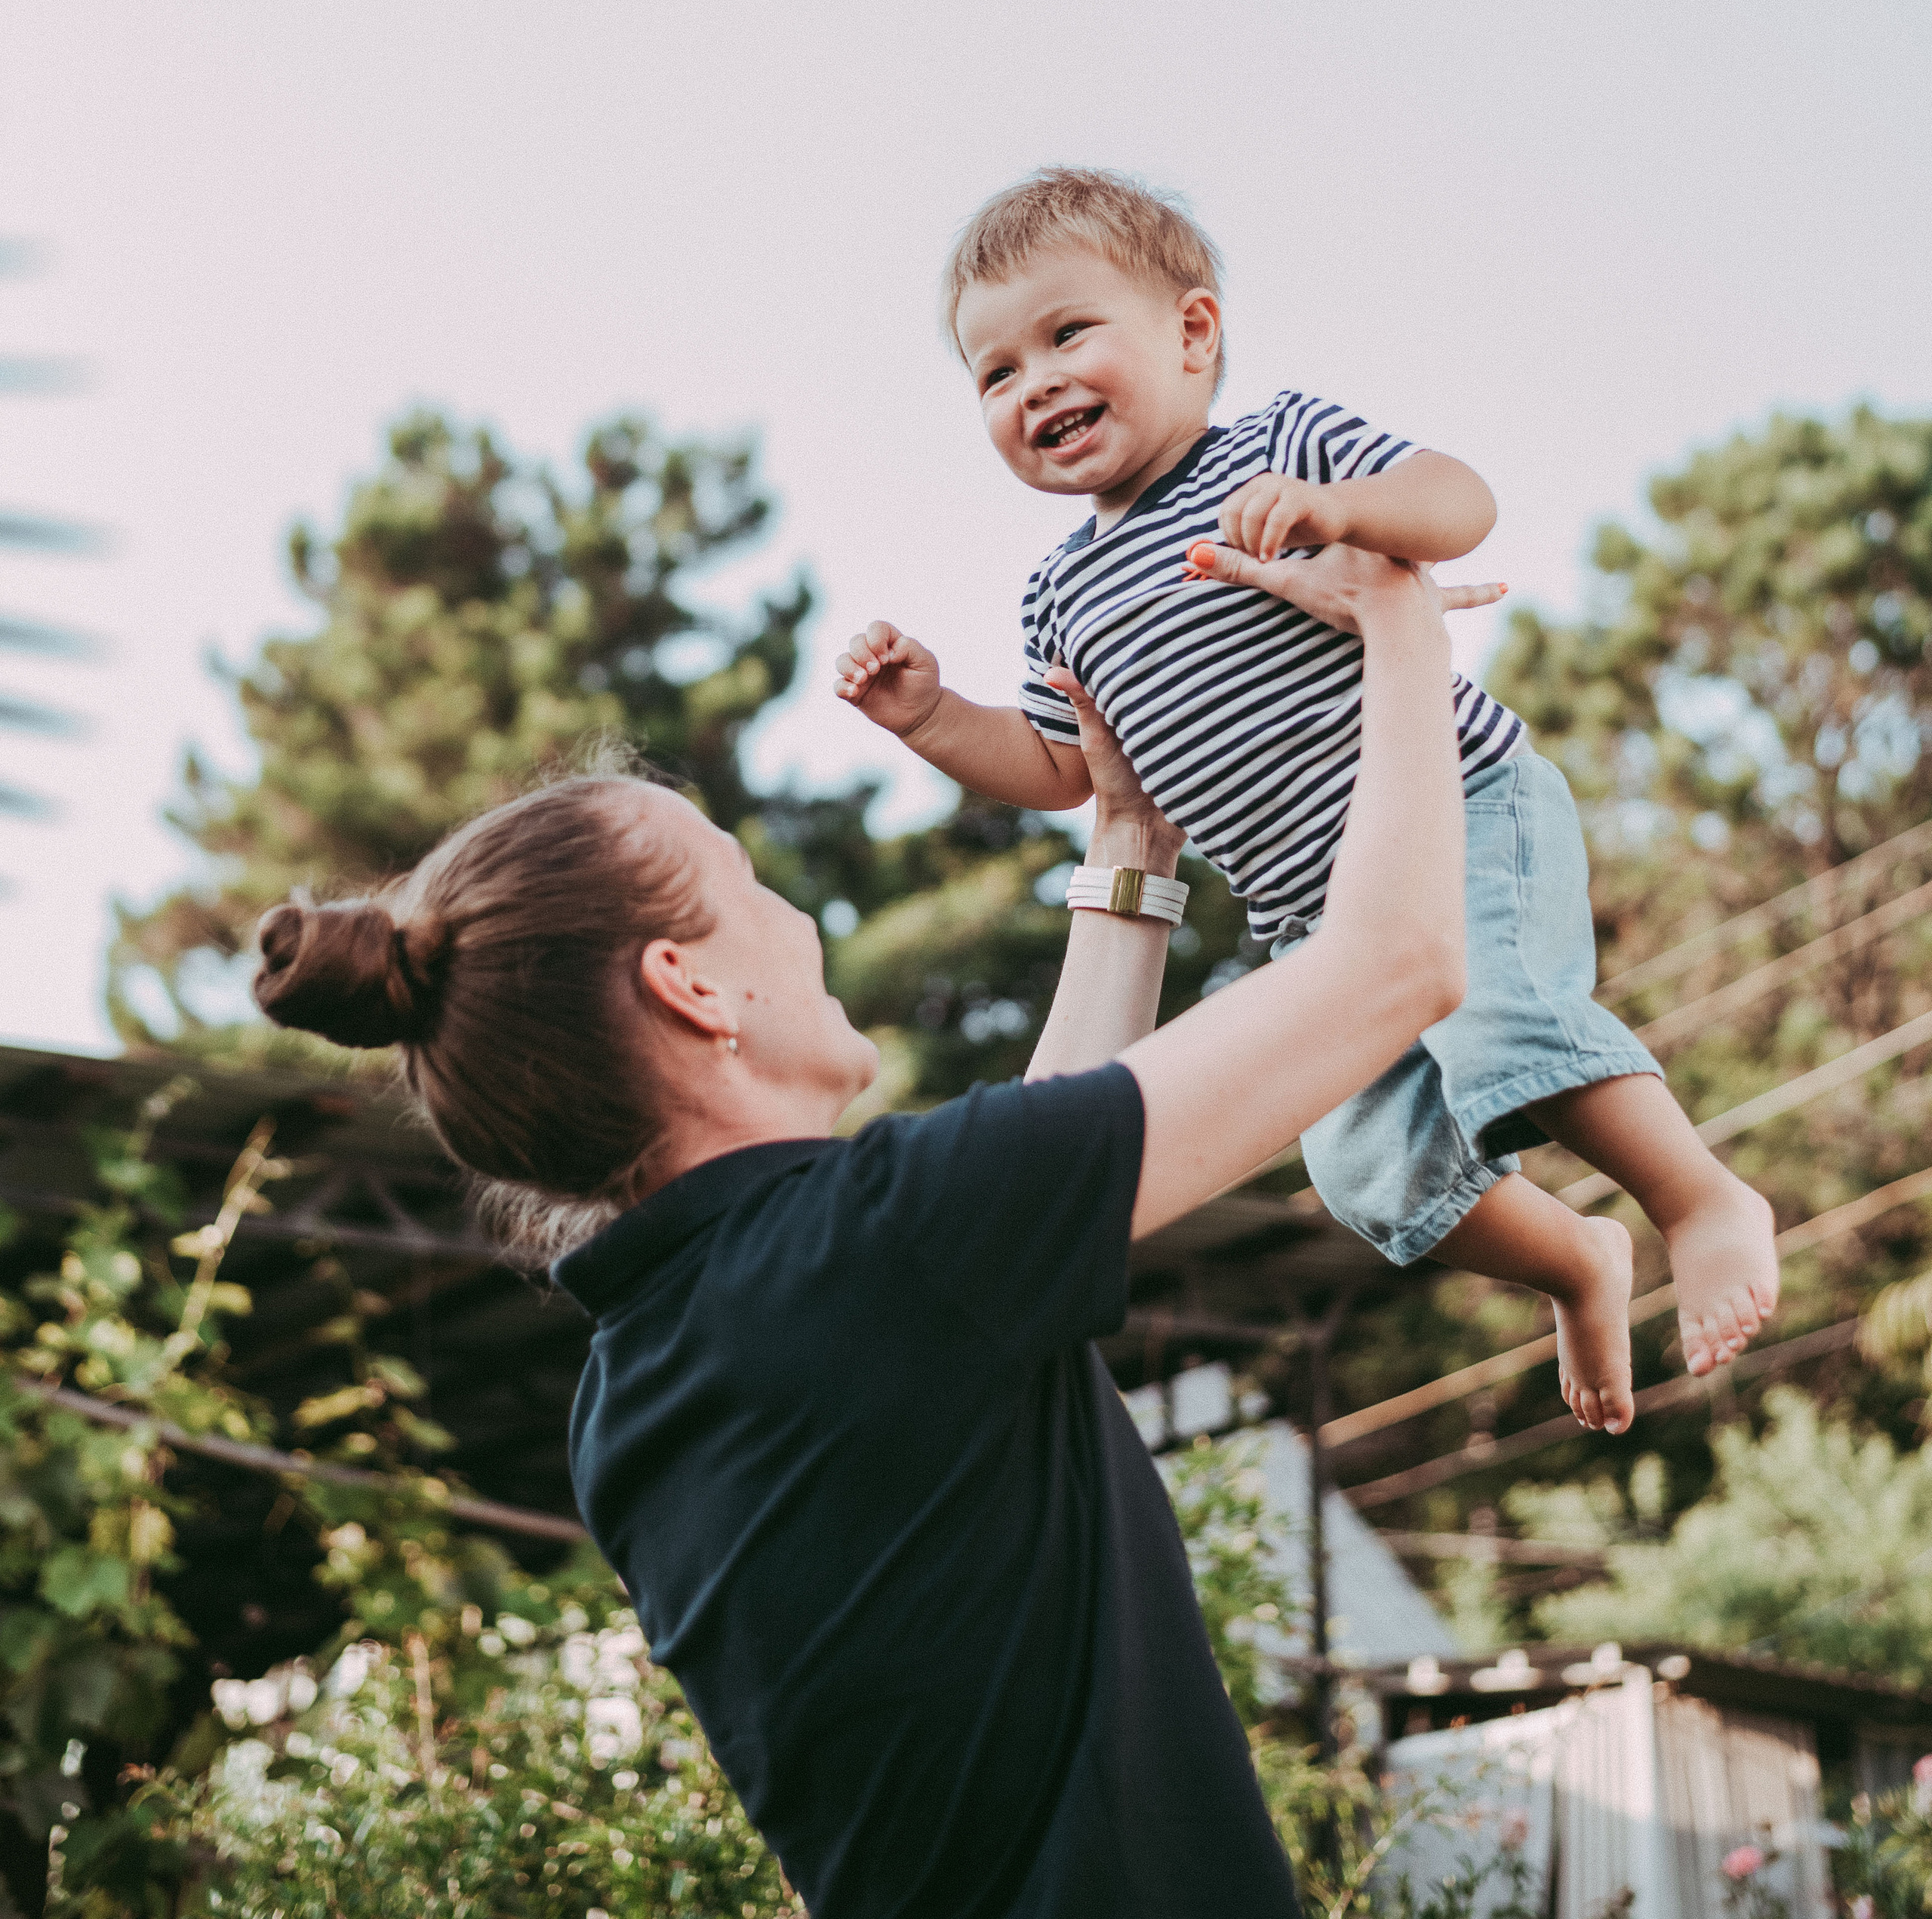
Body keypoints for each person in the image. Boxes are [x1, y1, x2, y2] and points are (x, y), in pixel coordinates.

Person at [257, 543, 1483, 1918]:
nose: (800, 918)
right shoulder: (881, 1247)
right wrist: (1400, 617)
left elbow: (1013, 1203)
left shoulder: (654, 1377)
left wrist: (1131, 841)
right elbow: (1402, 958)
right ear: (690, 983)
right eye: (747, 883)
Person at [835, 165, 1780, 1435]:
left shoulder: (1280, 445)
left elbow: (1462, 501)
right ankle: (1575, 1260)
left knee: (1499, 1010)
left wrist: (1345, 510)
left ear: (1193, 332)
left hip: (1466, 811)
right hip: (1314, 927)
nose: (1036, 384)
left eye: (1068, 334)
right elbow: (1067, 767)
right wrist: (936, 719)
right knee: (1358, 1167)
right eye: (996, 373)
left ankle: (1700, 1198)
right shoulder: (1058, 588)